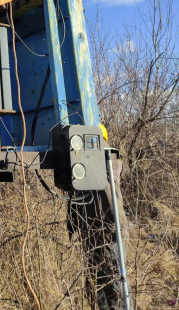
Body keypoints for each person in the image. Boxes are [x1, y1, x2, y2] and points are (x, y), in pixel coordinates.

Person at [67, 126, 132, 310]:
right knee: (100, 284)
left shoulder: (108, 158)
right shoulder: (89, 160)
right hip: (93, 231)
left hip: (108, 232)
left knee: (114, 284)